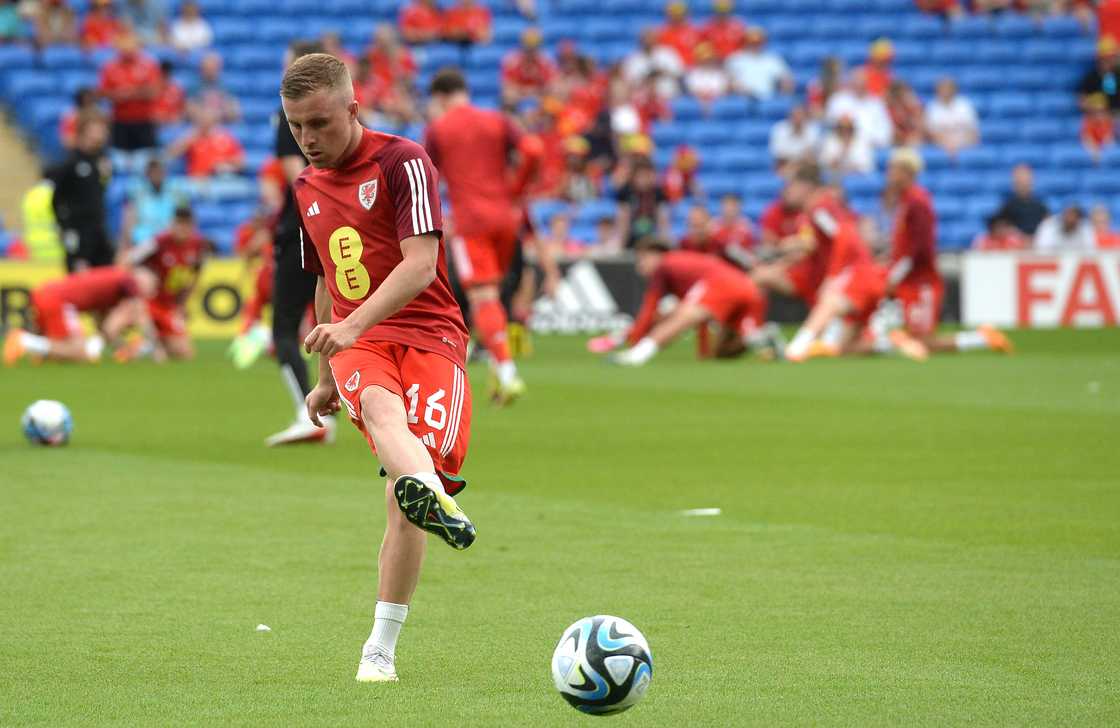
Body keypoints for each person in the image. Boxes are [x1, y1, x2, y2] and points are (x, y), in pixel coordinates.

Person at [279, 52, 476, 684]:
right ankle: (378, 651)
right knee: (384, 419)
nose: (308, 140)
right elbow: (325, 279)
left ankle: (424, 498)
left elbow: (421, 264)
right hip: (362, 343)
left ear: (353, 110)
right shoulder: (304, 187)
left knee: (402, 497)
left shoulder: (403, 160)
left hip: (434, 335)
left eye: (320, 123)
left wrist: (350, 326)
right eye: (295, 127)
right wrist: (330, 373)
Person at [426, 68, 555, 405]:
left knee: (482, 296)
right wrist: (516, 191)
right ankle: (498, 376)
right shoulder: (497, 120)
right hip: (505, 218)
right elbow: (534, 150)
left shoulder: (439, 128)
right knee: (493, 295)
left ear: (439, 98)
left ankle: (508, 372)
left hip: (471, 222)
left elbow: (428, 177)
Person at [265, 40, 334, 447]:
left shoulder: (289, 113)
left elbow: (299, 179)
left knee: (285, 328)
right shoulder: (338, 111)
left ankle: (309, 414)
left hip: (302, 230)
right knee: (337, 317)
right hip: (341, 227)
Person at [881, 148, 1012, 355]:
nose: (888, 174)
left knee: (923, 342)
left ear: (906, 172)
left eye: (893, 169)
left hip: (921, 282)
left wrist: (894, 275)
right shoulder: (907, 201)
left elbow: (919, 248)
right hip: (911, 281)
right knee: (916, 339)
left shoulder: (917, 202)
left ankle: (981, 339)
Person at [589, 241, 774, 365]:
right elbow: (701, 318)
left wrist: (636, 340)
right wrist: (703, 353)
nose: (640, 267)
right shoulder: (683, 267)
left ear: (654, 255)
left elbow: (649, 308)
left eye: (642, 260)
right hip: (746, 286)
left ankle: (638, 355)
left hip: (721, 283)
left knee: (679, 317)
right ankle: (763, 338)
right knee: (724, 352)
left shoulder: (665, 265)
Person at [3, 265, 159, 365]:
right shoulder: (128, 281)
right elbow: (116, 325)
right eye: (151, 286)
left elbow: (102, 324)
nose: (149, 293)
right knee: (80, 353)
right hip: (58, 301)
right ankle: (25, 341)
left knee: (66, 353)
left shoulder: (113, 280)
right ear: (143, 280)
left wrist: (118, 347)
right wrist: (156, 348)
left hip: (47, 294)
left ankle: (42, 352)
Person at [128, 206, 208, 360]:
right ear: (172, 224)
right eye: (179, 224)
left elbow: (196, 275)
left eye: (187, 225)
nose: (182, 229)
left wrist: (182, 304)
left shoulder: (198, 245)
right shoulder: (158, 242)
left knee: (185, 353)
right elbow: (128, 260)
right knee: (158, 354)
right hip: (148, 303)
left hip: (168, 306)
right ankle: (142, 344)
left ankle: (147, 344)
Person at [46, 114, 113, 272]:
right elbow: (56, 199)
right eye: (97, 130)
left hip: (98, 231)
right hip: (78, 234)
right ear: (84, 133)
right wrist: (66, 229)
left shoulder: (101, 162)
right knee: (79, 281)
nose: (102, 134)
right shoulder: (70, 163)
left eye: (103, 130)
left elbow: (98, 195)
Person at [97, 31, 161, 155]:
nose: (128, 49)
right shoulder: (110, 67)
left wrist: (128, 93)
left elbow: (154, 91)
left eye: (131, 45)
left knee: (146, 159)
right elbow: (102, 93)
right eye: (124, 45)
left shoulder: (148, 65)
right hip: (120, 122)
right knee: (119, 159)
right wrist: (119, 94)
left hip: (144, 121)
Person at [118, 157, 188, 256]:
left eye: (160, 171)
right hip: (143, 242)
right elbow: (129, 221)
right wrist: (126, 244)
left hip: (168, 240)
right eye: (154, 172)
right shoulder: (137, 192)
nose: (157, 175)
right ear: (147, 174)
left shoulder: (176, 191)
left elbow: (184, 219)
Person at [164, 108, 245, 178]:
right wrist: (191, 136)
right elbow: (170, 154)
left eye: (208, 118)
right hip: (196, 181)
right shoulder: (191, 137)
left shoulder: (226, 139)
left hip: (218, 180)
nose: (205, 121)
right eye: (202, 118)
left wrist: (225, 166)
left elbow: (240, 163)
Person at [826, 68, 892, 149]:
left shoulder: (876, 104)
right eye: (856, 82)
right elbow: (830, 125)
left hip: (870, 147)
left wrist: (869, 142)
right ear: (851, 82)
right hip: (841, 146)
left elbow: (885, 131)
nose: (859, 85)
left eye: (862, 83)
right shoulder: (838, 100)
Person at [726, 26, 794, 99]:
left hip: (768, 99)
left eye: (758, 42)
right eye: (752, 42)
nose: (755, 45)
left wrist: (783, 95)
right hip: (742, 99)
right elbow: (729, 82)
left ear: (764, 42)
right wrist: (740, 90)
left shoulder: (773, 59)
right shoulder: (735, 60)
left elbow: (786, 80)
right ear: (745, 42)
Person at [614, 159, 670, 247]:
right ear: (633, 177)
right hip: (630, 238)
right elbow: (622, 221)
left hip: (652, 239)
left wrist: (664, 241)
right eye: (640, 176)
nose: (643, 180)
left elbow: (663, 221)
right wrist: (620, 243)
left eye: (646, 175)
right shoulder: (625, 192)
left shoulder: (659, 194)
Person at [500, 28, 557, 105]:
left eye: (534, 47)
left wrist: (533, 93)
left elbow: (551, 86)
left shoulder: (546, 62)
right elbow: (507, 87)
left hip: (540, 99)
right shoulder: (512, 61)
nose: (531, 51)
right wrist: (527, 93)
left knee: (553, 100)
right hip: (518, 98)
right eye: (528, 47)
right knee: (508, 96)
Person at [924, 77, 979, 156]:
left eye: (948, 88)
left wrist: (958, 145)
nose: (945, 91)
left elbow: (973, 132)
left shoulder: (965, 105)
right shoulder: (932, 107)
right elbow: (930, 134)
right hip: (940, 147)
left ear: (954, 90)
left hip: (964, 145)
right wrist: (948, 145)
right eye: (942, 89)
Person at [994, 164, 1048, 238]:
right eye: (1019, 180)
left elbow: (1048, 228)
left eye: (1025, 179)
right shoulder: (1007, 207)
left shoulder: (1041, 207)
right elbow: (1000, 228)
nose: (1023, 183)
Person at [187, 52, 240, 124]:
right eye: (207, 67)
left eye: (212, 67)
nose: (210, 70)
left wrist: (216, 116)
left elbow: (234, 111)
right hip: (200, 126)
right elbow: (190, 109)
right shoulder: (194, 87)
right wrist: (205, 117)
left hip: (222, 125)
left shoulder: (227, 87)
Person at [769, 104, 821, 174]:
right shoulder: (780, 129)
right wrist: (797, 158)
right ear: (790, 116)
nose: (798, 118)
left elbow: (811, 151)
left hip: (806, 165)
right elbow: (778, 152)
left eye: (801, 115)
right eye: (795, 115)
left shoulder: (813, 129)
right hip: (785, 164)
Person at [1078, 37, 1120, 113]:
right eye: (1105, 58)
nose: (1108, 61)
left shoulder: (1118, 75)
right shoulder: (1091, 77)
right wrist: (1093, 106)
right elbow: (1081, 101)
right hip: (1098, 117)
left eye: (1111, 57)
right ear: (1098, 58)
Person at [655, 1, 700, 67]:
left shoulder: (695, 32)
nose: (677, 16)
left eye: (679, 13)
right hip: (671, 70)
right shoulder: (662, 33)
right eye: (674, 13)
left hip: (692, 70)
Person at [1081, 93, 1115, 162]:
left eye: (1102, 110)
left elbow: (1110, 140)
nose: (1099, 113)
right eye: (1096, 110)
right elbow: (1087, 139)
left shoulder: (1110, 122)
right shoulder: (1087, 122)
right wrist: (1095, 152)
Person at [153, 60, 186, 124]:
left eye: (167, 74)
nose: (165, 77)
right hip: (153, 124)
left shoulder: (177, 90)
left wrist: (176, 117)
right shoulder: (150, 90)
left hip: (172, 124)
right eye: (162, 74)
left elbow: (182, 109)